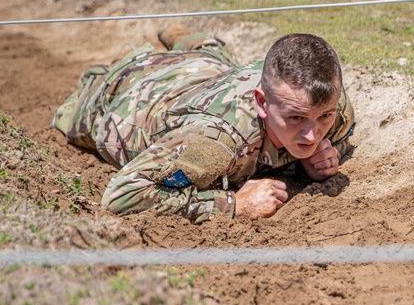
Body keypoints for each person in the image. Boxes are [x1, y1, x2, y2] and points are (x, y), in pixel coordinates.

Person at [52, 27, 355, 224]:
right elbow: (121, 194)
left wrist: (310, 162)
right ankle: (134, 59)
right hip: (136, 96)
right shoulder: (213, 143)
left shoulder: (331, 105)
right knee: (82, 107)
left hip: (207, 70)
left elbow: (329, 131)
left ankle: (190, 39)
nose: (313, 134)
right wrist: (234, 204)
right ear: (262, 103)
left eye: (323, 118)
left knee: (211, 55)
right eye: (296, 119)